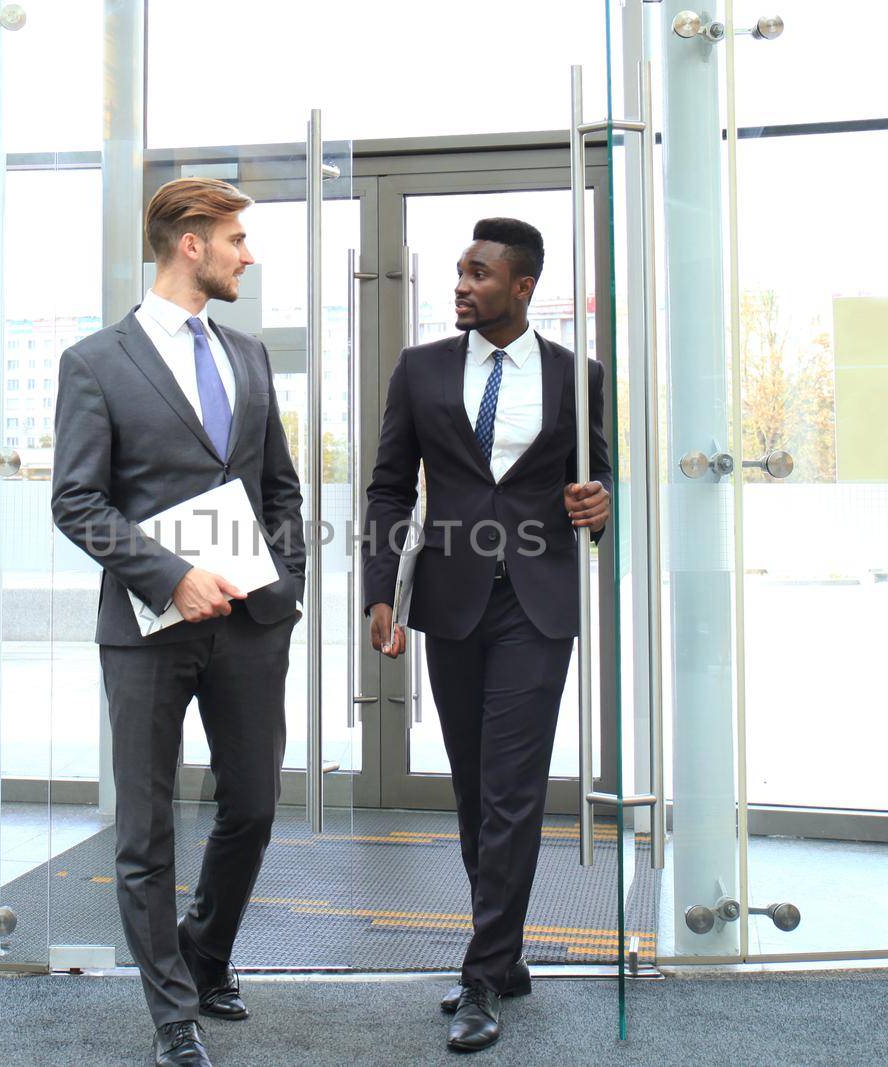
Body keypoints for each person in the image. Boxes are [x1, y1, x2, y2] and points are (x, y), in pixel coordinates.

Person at [51, 178, 306, 1067]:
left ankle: (206, 950)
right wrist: (173, 577)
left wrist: (287, 593)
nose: (248, 251)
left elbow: (280, 488)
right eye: (235, 237)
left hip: (249, 625)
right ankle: (172, 1013)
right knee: (146, 827)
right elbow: (76, 501)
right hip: (149, 627)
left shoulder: (249, 355)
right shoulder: (96, 361)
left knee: (254, 806)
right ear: (190, 242)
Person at [362, 217, 612, 1053]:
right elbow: (390, 488)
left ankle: (480, 972)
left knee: (513, 786)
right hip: (453, 598)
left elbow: (601, 475)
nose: (461, 285)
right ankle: (503, 955)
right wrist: (381, 592)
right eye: (461, 272)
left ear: (523, 286)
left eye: (478, 273)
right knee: (474, 786)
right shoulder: (422, 370)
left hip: (537, 605)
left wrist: (600, 502)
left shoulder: (579, 377)